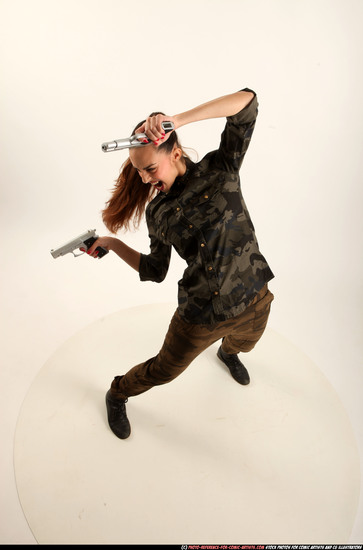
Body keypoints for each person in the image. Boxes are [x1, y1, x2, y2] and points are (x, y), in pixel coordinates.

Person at [87, 87, 274, 439]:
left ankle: (228, 353)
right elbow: (154, 271)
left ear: (174, 152)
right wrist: (112, 244)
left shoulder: (222, 167)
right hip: (200, 314)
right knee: (164, 370)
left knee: (247, 342)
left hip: (253, 296)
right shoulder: (157, 212)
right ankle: (117, 393)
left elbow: (247, 101)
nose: (145, 179)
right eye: (138, 171)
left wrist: (179, 120)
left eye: (150, 168)